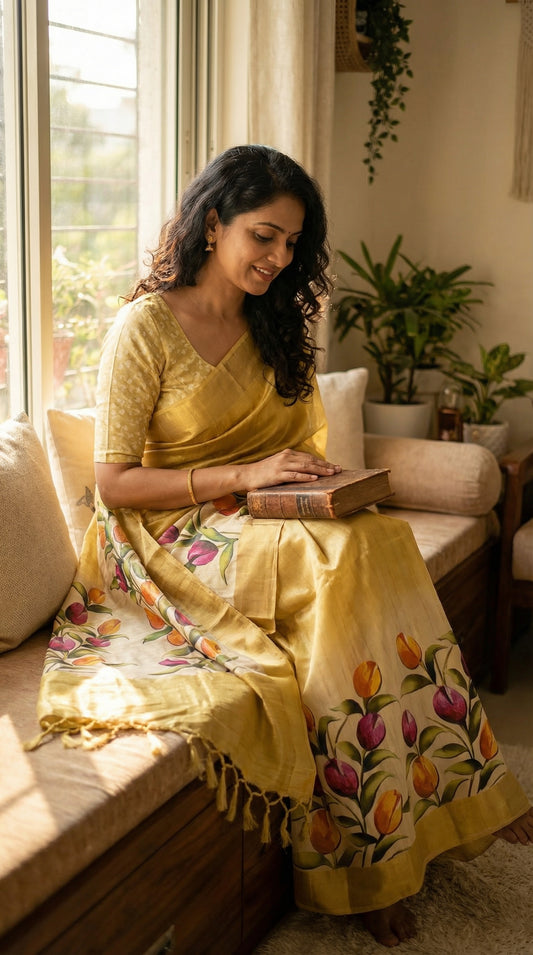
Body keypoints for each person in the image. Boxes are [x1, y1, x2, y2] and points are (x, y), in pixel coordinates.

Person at [41, 145, 533, 948]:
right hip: (165, 537)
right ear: (211, 224)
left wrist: (314, 478)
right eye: (263, 237)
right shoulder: (147, 326)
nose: (278, 258)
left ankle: (455, 780)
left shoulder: (272, 321)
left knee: (380, 540)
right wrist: (243, 472)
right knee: (336, 564)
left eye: (291, 244)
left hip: (259, 513)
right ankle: (365, 854)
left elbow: (286, 443)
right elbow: (115, 483)